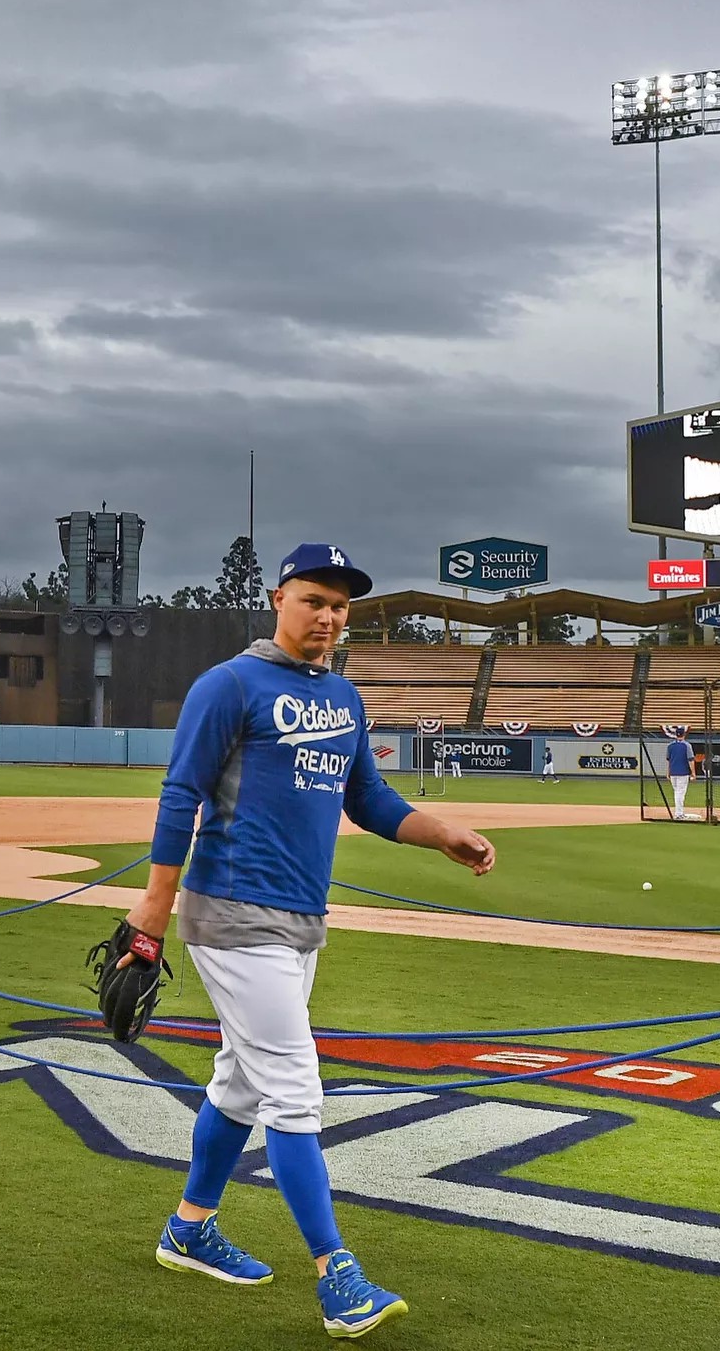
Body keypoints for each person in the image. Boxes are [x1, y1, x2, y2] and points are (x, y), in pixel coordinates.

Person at [124, 543, 495, 1339]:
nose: (327, 616)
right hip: (230, 911)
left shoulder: (346, 698)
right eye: (314, 600)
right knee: (295, 1090)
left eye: (340, 605)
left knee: (242, 1085)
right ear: (277, 598)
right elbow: (180, 792)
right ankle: (338, 1275)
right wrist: (153, 908)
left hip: (299, 918)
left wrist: (441, 835)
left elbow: (369, 798)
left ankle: (189, 1227)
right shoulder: (229, 685)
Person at [666, 733, 695, 820]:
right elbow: (690, 760)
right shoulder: (687, 745)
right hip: (683, 773)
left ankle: (678, 812)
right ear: (684, 735)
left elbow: (668, 760)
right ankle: (679, 814)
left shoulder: (670, 745)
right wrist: (693, 773)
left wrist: (668, 772)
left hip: (673, 773)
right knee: (680, 793)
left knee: (677, 792)